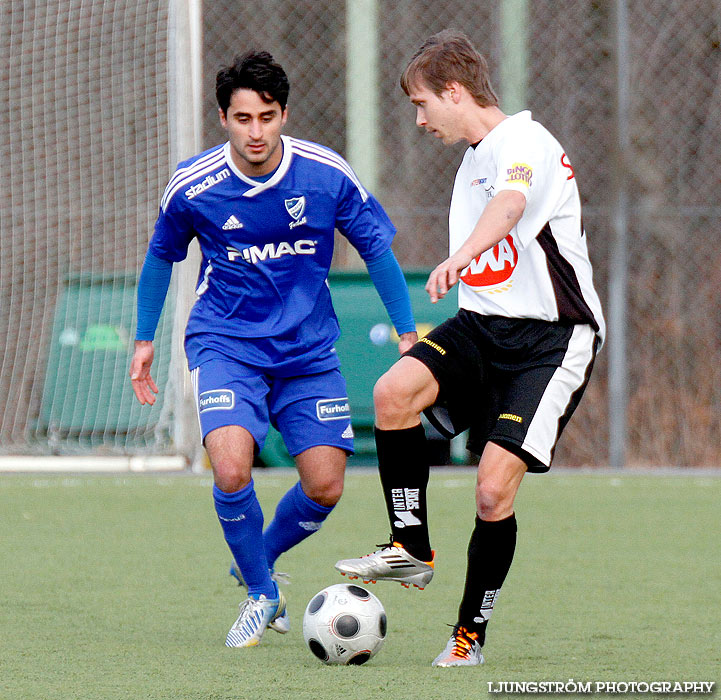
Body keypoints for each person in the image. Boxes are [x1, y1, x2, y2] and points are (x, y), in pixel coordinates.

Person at [129, 50, 417, 649]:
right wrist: (143, 339)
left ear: (284, 114)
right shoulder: (193, 185)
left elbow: (378, 252)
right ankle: (262, 594)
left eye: (266, 117)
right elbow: (161, 257)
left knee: (325, 485)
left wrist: (407, 332)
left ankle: (256, 560)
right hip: (225, 342)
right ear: (223, 119)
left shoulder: (326, 174)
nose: (255, 131)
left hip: (309, 352)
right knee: (232, 467)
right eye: (242, 118)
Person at [335, 29, 605, 667]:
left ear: (456, 92)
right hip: (485, 326)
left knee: (490, 493)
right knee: (392, 392)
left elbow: (511, 207)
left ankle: (469, 635)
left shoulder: (525, 143)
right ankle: (411, 547)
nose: (421, 117)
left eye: (424, 102)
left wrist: (460, 255)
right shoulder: (475, 155)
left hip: (551, 339)